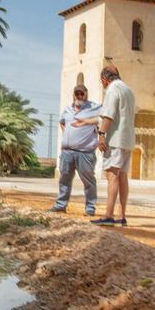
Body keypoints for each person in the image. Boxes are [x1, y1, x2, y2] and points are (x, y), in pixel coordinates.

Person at [92, 65, 135, 226]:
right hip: (128, 139)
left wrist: (101, 134)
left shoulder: (112, 89)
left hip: (115, 140)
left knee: (112, 176)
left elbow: (108, 115)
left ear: (105, 79)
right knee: (123, 177)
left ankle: (108, 215)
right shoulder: (128, 90)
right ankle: (121, 215)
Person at [50, 84, 101, 214]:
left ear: (86, 94)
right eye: (77, 93)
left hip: (85, 152)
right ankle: (61, 205)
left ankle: (90, 208)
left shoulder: (94, 108)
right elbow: (62, 121)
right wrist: (68, 134)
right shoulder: (67, 109)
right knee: (64, 179)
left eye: (81, 93)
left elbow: (105, 118)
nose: (79, 96)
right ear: (73, 94)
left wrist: (99, 135)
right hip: (67, 151)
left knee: (88, 181)